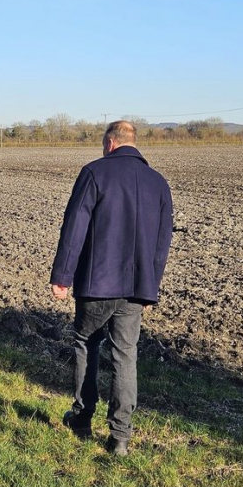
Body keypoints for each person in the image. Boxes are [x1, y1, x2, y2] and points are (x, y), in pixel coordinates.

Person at [50, 120, 173, 456]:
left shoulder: (94, 173)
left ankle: (82, 417)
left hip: (96, 284)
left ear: (110, 142)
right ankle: (120, 436)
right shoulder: (158, 183)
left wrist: (62, 276)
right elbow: (162, 243)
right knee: (125, 355)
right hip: (136, 287)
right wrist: (151, 286)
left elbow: (74, 227)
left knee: (86, 343)